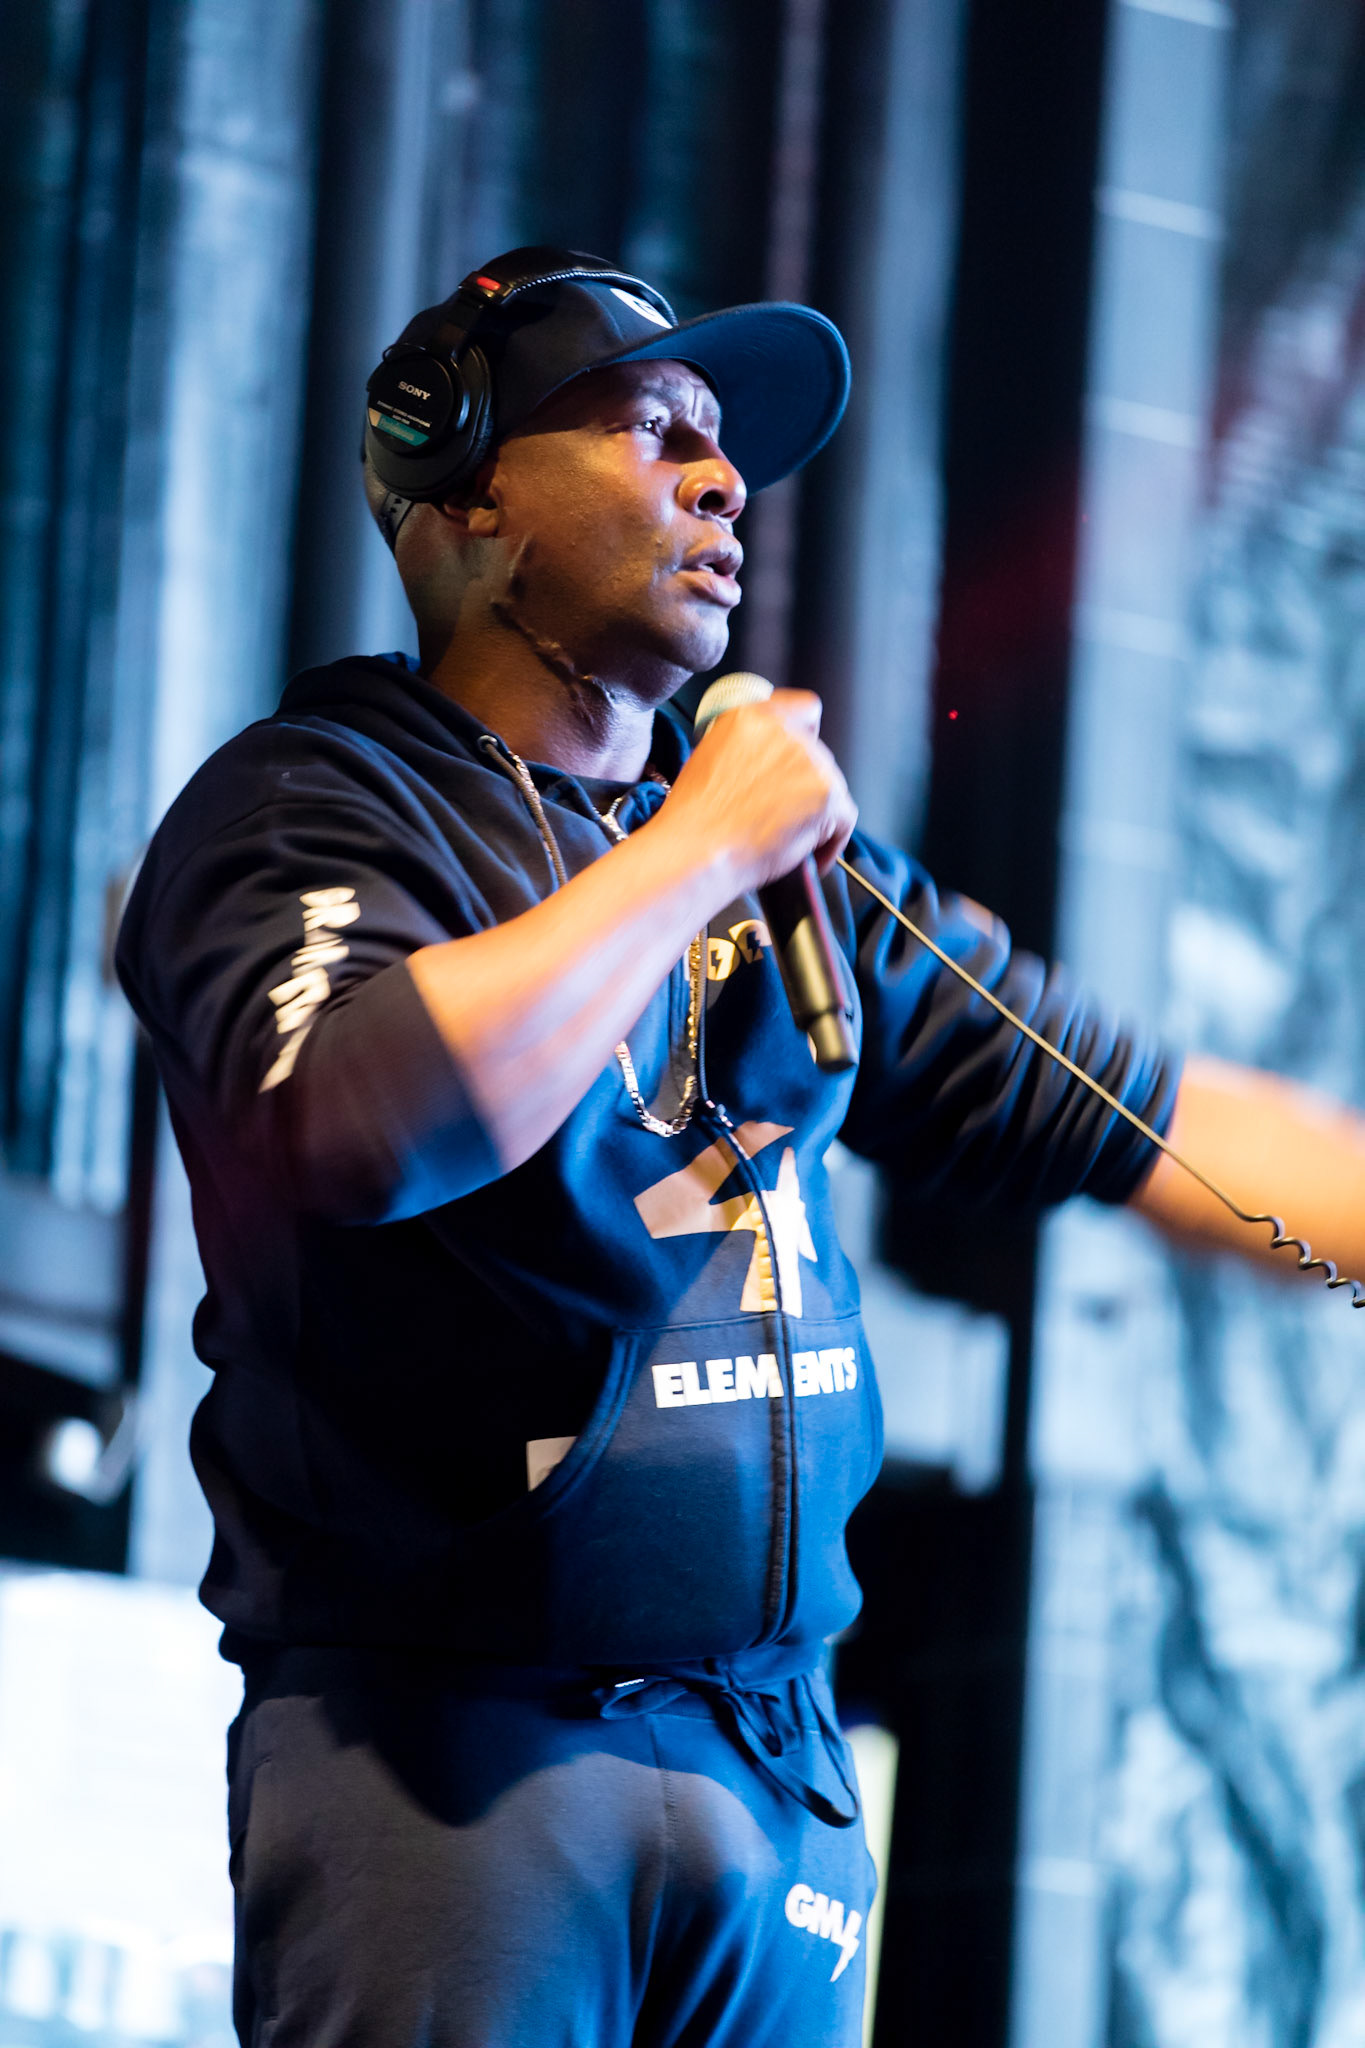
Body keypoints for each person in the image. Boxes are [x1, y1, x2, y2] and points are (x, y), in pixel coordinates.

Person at [116, 247, 1365, 2048]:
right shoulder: (318, 802)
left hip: (771, 1774)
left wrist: (714, 845)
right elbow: (354, 1122)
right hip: (455, 1772)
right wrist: (697, 845)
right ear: (462, 486)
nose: (721, 481)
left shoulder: (783, 874)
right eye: (648, 431)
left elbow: (1150, 1118)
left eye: (725, 446)